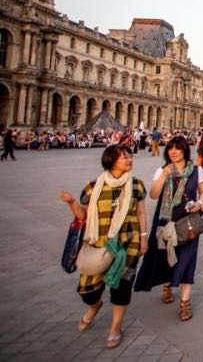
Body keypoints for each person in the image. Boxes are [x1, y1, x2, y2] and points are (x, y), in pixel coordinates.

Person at [59, 144, 147, 349]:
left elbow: (141, 213)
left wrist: (144, 237)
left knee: (122, 288)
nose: (129, 160)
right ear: (111, 161)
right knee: (87, 290)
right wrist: (71, 202)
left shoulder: (136, 185)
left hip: (128, 243)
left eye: (129, 156)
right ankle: (94, 305)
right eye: (124, 157)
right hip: (98, 244)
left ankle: (115, 327)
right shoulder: (93, 187)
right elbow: (83, 215)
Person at [134, 136, 203, 321]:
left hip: (188, 221)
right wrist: (165, 176)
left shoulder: (197, 171)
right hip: (165, 221)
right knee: (166, 257)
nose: (173, 152)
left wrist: (199, 203)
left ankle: (185, 303)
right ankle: (167, 284)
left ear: (185, 150)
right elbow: (153, 194)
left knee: (188, 260)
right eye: (170, 149)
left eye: (177, 148)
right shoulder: (162, 170)